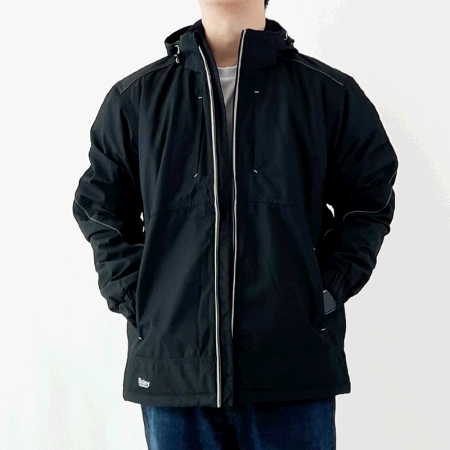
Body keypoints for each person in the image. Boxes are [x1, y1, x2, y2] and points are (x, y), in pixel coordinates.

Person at [72, 0, 399, 448]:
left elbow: (369, 198)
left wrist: (322, 292)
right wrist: (142, 299)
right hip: (175, 372)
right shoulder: (137, 98)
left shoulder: (327, 93)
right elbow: (99, 209)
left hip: (291, 370)